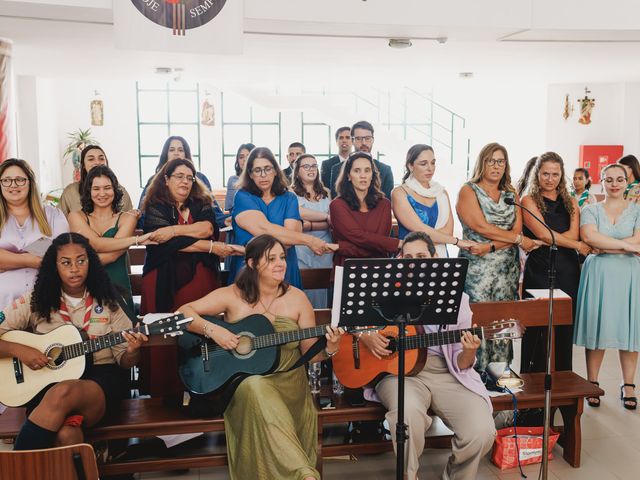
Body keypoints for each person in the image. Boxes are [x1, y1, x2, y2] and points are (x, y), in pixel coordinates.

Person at [179, 234, 343, 480]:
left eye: (282, 258)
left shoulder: (297, 298)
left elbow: (311, 356)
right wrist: (215, 331)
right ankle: (304, 475)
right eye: (271, 259)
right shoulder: (232, 295)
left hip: (289, 384)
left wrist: (331, 348)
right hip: (245, 386)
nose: (281, 264)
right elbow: (183, 312)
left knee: (264, 393)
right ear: (252, 264)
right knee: (255, 386)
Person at [358, 231, 495, 480]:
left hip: (446, 371)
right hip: (395, 371)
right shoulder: (383, 291)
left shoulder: (457, 300)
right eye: (407, 257)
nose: (414, 263)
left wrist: (469, 351)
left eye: (421, 256)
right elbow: (349, 319)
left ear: (434, 258)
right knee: (406, 416)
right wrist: (365, 335)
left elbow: (461, 364)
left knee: (482, 431)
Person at [0, 232, 147, 450]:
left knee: (64, 391)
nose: (74, 268)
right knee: (67, 434)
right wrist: (20, 351)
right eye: (66, 262)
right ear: (54, 265)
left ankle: (16, 469)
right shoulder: (37, 299)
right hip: (46, 382)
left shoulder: (110, 300)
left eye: (81, 260)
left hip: (99, 384)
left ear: (91, 262)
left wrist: (133, 351)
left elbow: (124, 362)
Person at [140, 158, 243, 396]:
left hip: (201, 277)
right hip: (162, 279)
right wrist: (208, 247)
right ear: (166, 179)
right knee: (166, 333)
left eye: (189, 177)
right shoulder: (155, 204)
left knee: (199, 332)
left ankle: (204, 386)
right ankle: (167, 392)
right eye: (179, 176)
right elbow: (162, 243)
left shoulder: (201, 201)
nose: (185, 181)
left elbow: (208, 229)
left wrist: (174, 231)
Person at [456, 142, 540, 372]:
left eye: (500, 161)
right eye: (491, 160)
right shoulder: (468, 190)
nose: (496, 166)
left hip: (506, 269)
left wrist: (492, 247)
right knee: (479, 321)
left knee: (504, 322)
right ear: (482, 163)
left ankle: (500, 374)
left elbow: (516, 233)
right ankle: (476, 374)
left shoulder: (511, 193)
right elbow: (480, 226)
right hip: (477, 269)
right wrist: (516, 240)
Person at [574, 163, 640, 409]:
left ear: (626, 182)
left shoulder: (637, 210)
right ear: (600, 181)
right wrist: (628, 246)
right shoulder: (590, 209)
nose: (614, 183)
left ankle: (629, 384)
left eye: (619, 179)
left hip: (628, 274)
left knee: (629, 329)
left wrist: (609, 244)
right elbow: (589, 237)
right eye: (609, 179)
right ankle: (592, 381)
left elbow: (639, 239)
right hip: (599, 272)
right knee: (597, 327)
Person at [520, 153, 590, 373]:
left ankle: (562, 388)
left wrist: (549, 239)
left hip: (567, 269)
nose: (550, 179)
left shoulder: (570, 200)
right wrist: (575, 245)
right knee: (537, 328)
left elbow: (572, 231)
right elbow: (543, 232)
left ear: (562, 175)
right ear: (537, 174)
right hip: (540, 268)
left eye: (555, 174)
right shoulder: (528, 200)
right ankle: (533, 392)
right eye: (545, 174)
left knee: (563, 329)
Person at [229, 147, 335, 288]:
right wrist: (309, 240)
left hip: (285, 269)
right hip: (251, 271)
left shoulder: (289, 198)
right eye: (257, 170)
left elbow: (289, 241)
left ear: (275, 171)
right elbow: (263, 228)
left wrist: (248, 248)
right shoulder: (242, 197)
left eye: (267, 168)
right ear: (250, 174)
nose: (263, 175)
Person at [68, 166, 154, 315]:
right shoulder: (76, 217)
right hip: (85, 289)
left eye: (107, 188)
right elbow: (94, 243)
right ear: (89, 191)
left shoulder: (128, 218)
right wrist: (136, 240)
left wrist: (81, 264)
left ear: (115, 190)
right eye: (96, 188)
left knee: (124, 336)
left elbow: (113, 255)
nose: (102, 193)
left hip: (118, 288)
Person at [0, 158, 69, 310]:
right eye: (6, 180)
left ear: (30, 182)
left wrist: (7, 257)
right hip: (3, 306)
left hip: (47, 303)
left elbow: (60, 251)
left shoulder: (53, 215)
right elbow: (47, 252)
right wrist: (31, 258)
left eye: (20, 180)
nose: (13, 185)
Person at [392, 144, 476, 258]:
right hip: (411, 258)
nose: (430, 168)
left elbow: (448, 232)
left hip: (440, 256)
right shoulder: (399, 193)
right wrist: (456, 241)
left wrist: (419, 244)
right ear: (411, 166)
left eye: (433, 162)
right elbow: (419, 228)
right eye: (423, 163)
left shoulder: (441, 193)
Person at [330, 151, 400, 270]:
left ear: (372, 175)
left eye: (367, 170)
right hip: (348, 269)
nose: (363, 175)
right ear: (348, 175)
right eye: (357, 171)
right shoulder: (337, 205)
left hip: (379, 269)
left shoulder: (384, 204)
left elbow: (379, 244)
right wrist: (395, 244)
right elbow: (371, 241)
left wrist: (342, 247)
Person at [137, 136, 227, 228]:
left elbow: (213, 211)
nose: (176, 153)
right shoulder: (154, 180)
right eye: (171, 150)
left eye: (180, 150)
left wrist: (225, 220)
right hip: (161, 228)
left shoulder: (201, 178)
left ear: (186, 154)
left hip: (198, 228)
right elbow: (143, 213)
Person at [291, 154, 333, 307]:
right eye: (306, 166)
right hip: (302, 248)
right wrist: (326, 217)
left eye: (314, 166)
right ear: (297, 171)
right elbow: (297, 212)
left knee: (322, 289)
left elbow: (334, 220)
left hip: (325, 246)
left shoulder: (326, 192)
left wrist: (309, 224)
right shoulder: (290, 194)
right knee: (304, 289)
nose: (311, 169)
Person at [58, 145, 134, 217]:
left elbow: (130, 219)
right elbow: (58, 220)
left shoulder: (121, 191)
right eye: (91, 159)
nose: (97, 162)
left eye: (101, 159)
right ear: (83, 165)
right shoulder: (70, 191)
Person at [329, 121, 394, 199]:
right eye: (359, 139)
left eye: (367, 138)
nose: (363, 143)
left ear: (372, 140)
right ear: (352, 141)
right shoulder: (337, 169)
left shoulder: (385, 170)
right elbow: (336, 203)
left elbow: (386, 204)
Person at [320, 127, 351, 195]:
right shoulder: (326, 164)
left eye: (348, 137)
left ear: (353, 141)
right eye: (341, 138)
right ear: (336, 142)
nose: (344, 140)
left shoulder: (358, 162)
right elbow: (326, 188)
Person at [225, 143, 255, 212]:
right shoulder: (233, 180)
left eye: (248, 156)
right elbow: (230, 209)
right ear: (237, 161)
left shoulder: (261, 179)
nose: (244, 160)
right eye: (241, 157)